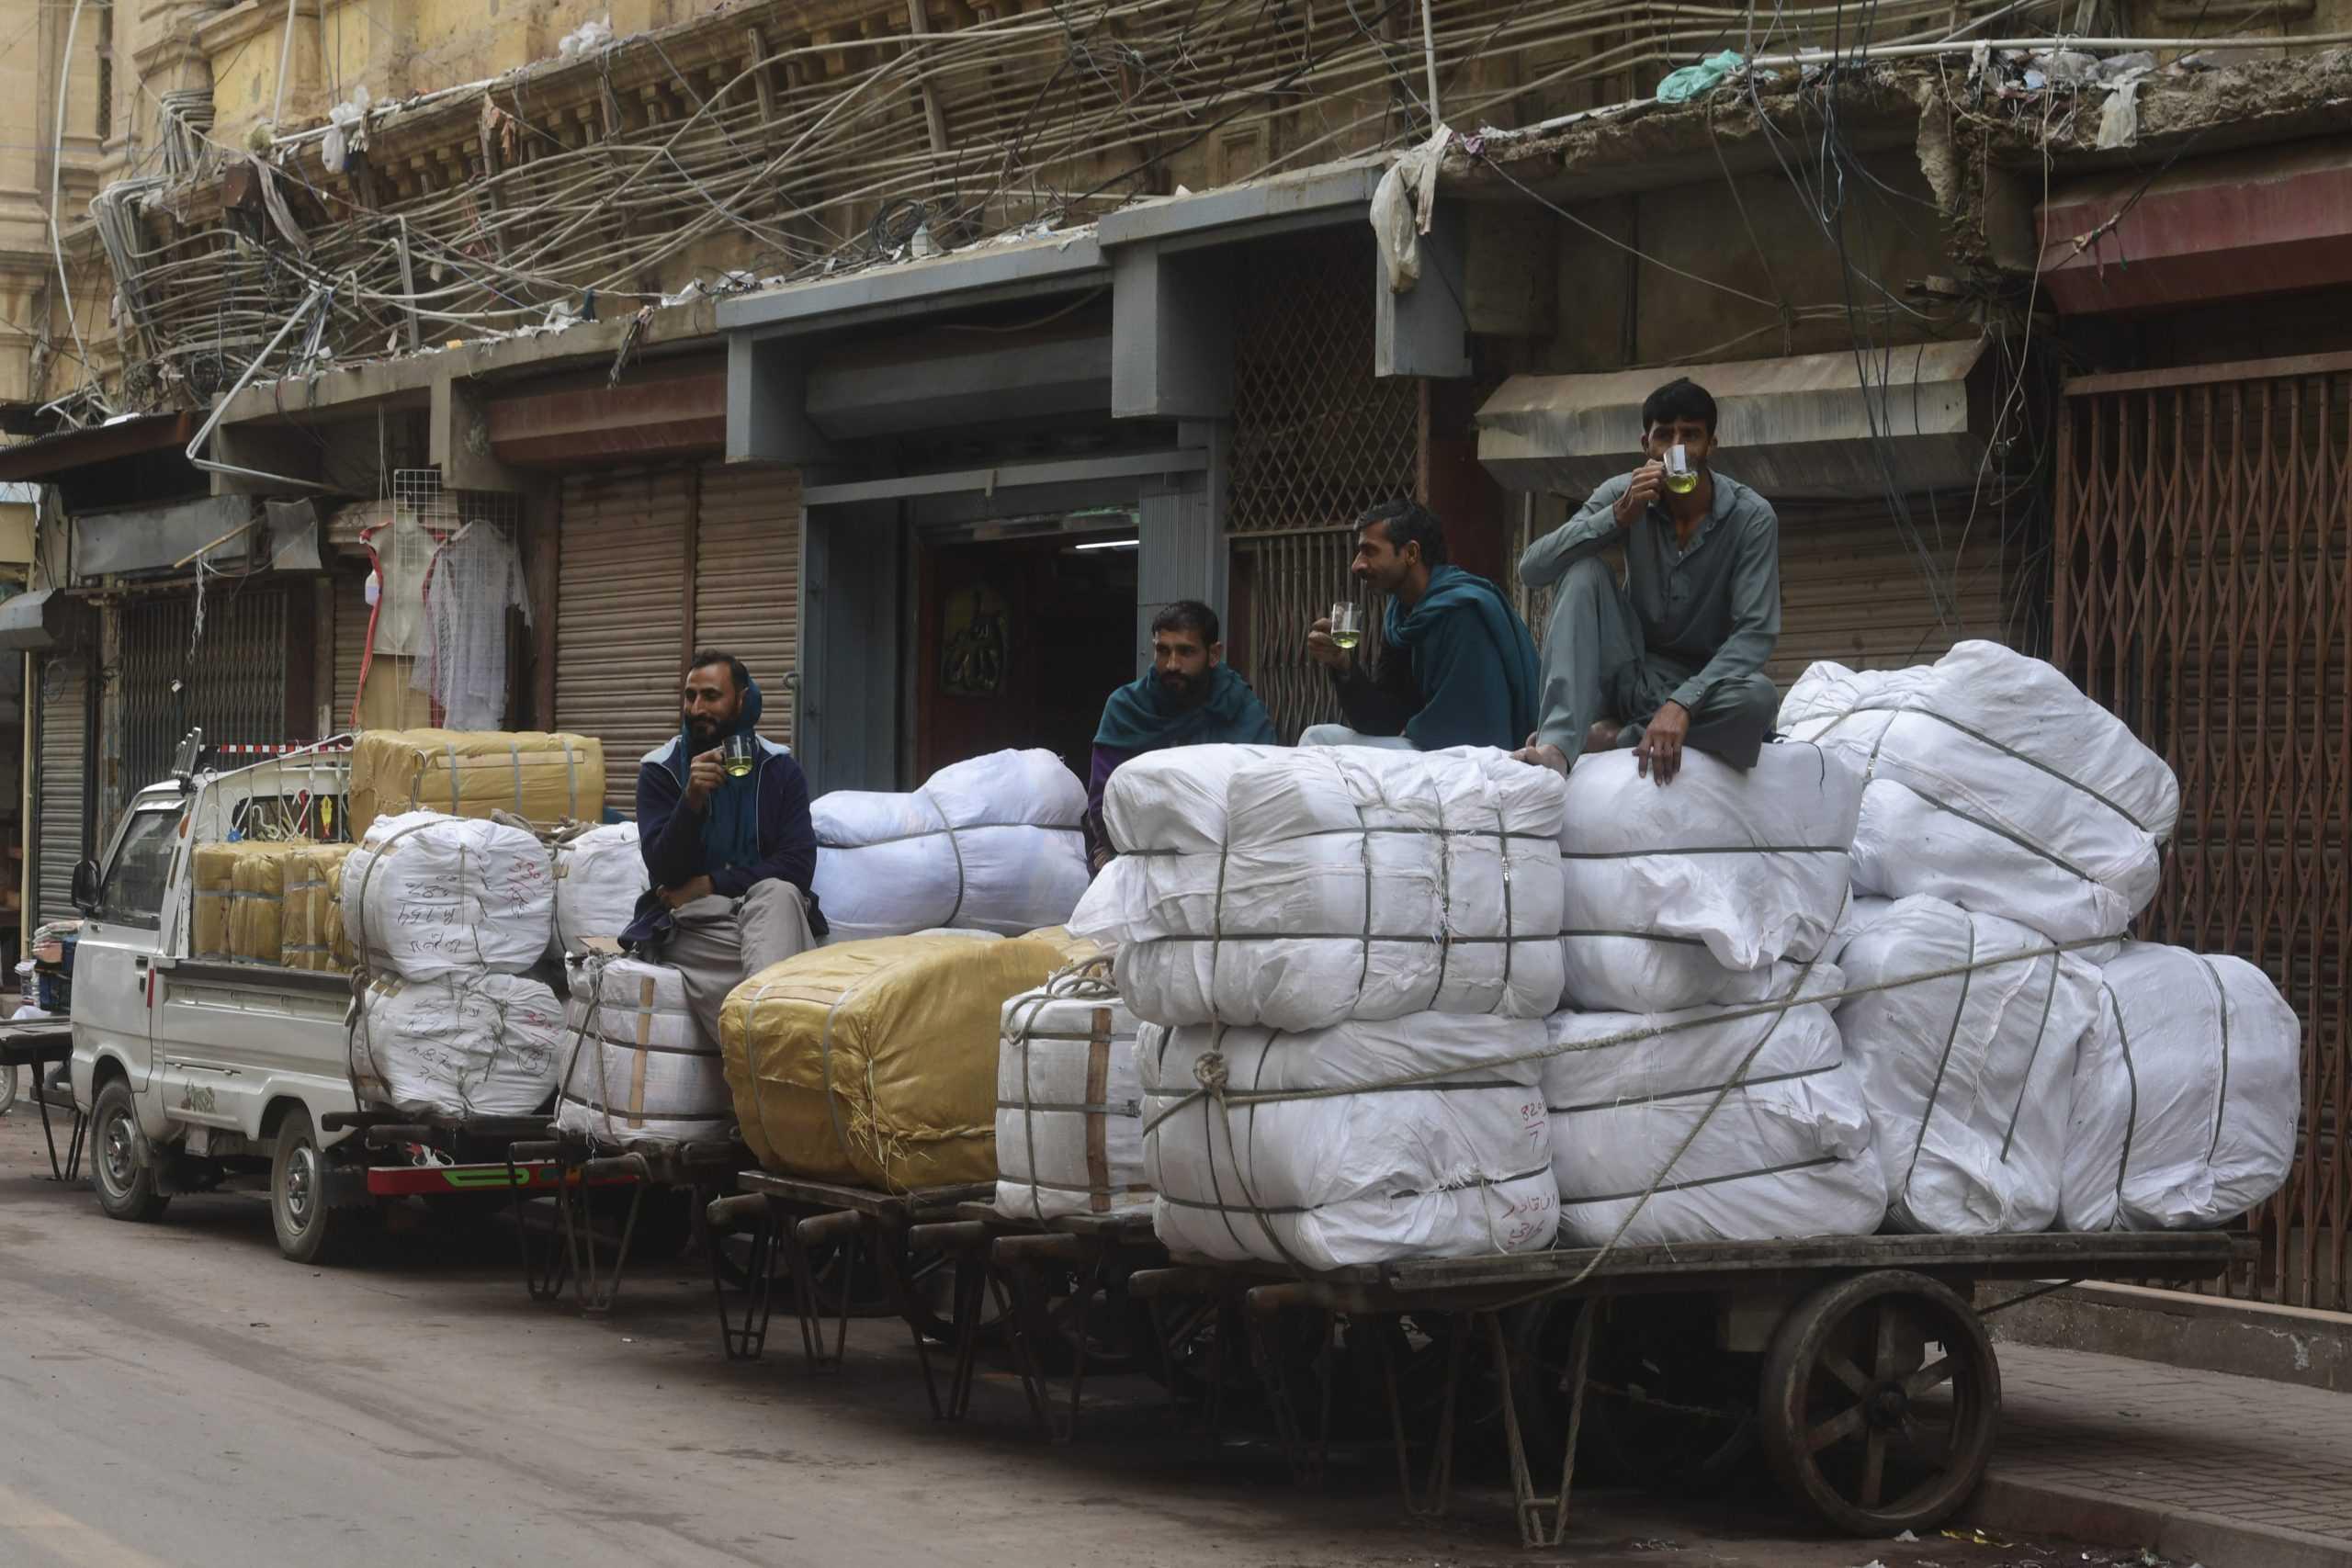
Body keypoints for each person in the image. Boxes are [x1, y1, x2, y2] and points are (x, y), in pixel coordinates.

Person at [1514, 377, 1781, 785]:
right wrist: (1617, 517)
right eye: (1664, 436)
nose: (1678, 450)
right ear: (1646, 446)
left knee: (1758, 700)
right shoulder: (1625, 493)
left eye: (1691, 436)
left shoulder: (1751, 517)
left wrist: (1682, 703)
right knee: (1584, 571)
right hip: (1627, 674)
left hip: (1700, 688)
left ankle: (1613, 738)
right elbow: (1532, 570)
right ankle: (1556, 745)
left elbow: (1755, 634)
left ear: (1712, 445)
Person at [625, 650, 827, 1044]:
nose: (697, 708)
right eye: (690, 696)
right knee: (782, 957)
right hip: (698, 924)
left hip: (767, 910)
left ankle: (757, 1045)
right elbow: (664, 872)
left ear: (742, 700)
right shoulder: (661, 770)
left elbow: (798, 866)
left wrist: (713, 882)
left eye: (711, 696)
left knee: (780, 893)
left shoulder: (779, 768)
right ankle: (777, 1047)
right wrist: (692, 801)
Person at [1300, 500, 1539, 751]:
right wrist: (1344, 665)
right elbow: (1381, 719)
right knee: (1316, 737)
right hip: (1422, 745)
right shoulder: (1401, 618)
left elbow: (1469, 722)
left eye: (1369, 551)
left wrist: (1409, 730)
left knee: (1321, 744)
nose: (1356, 564)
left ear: (1411, 553)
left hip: (1464, 758)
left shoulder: (1463, 611)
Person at [1084, 601, 1276, 872]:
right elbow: (1102, 802)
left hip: (1225, 860)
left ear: (1213, 654)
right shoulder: (1127, 708)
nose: (1172, 664)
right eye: (1163, 651)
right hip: (1137, 857)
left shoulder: (1240, 707)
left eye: (1186, 652)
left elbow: (1266, 792)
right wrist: (1129, 854)